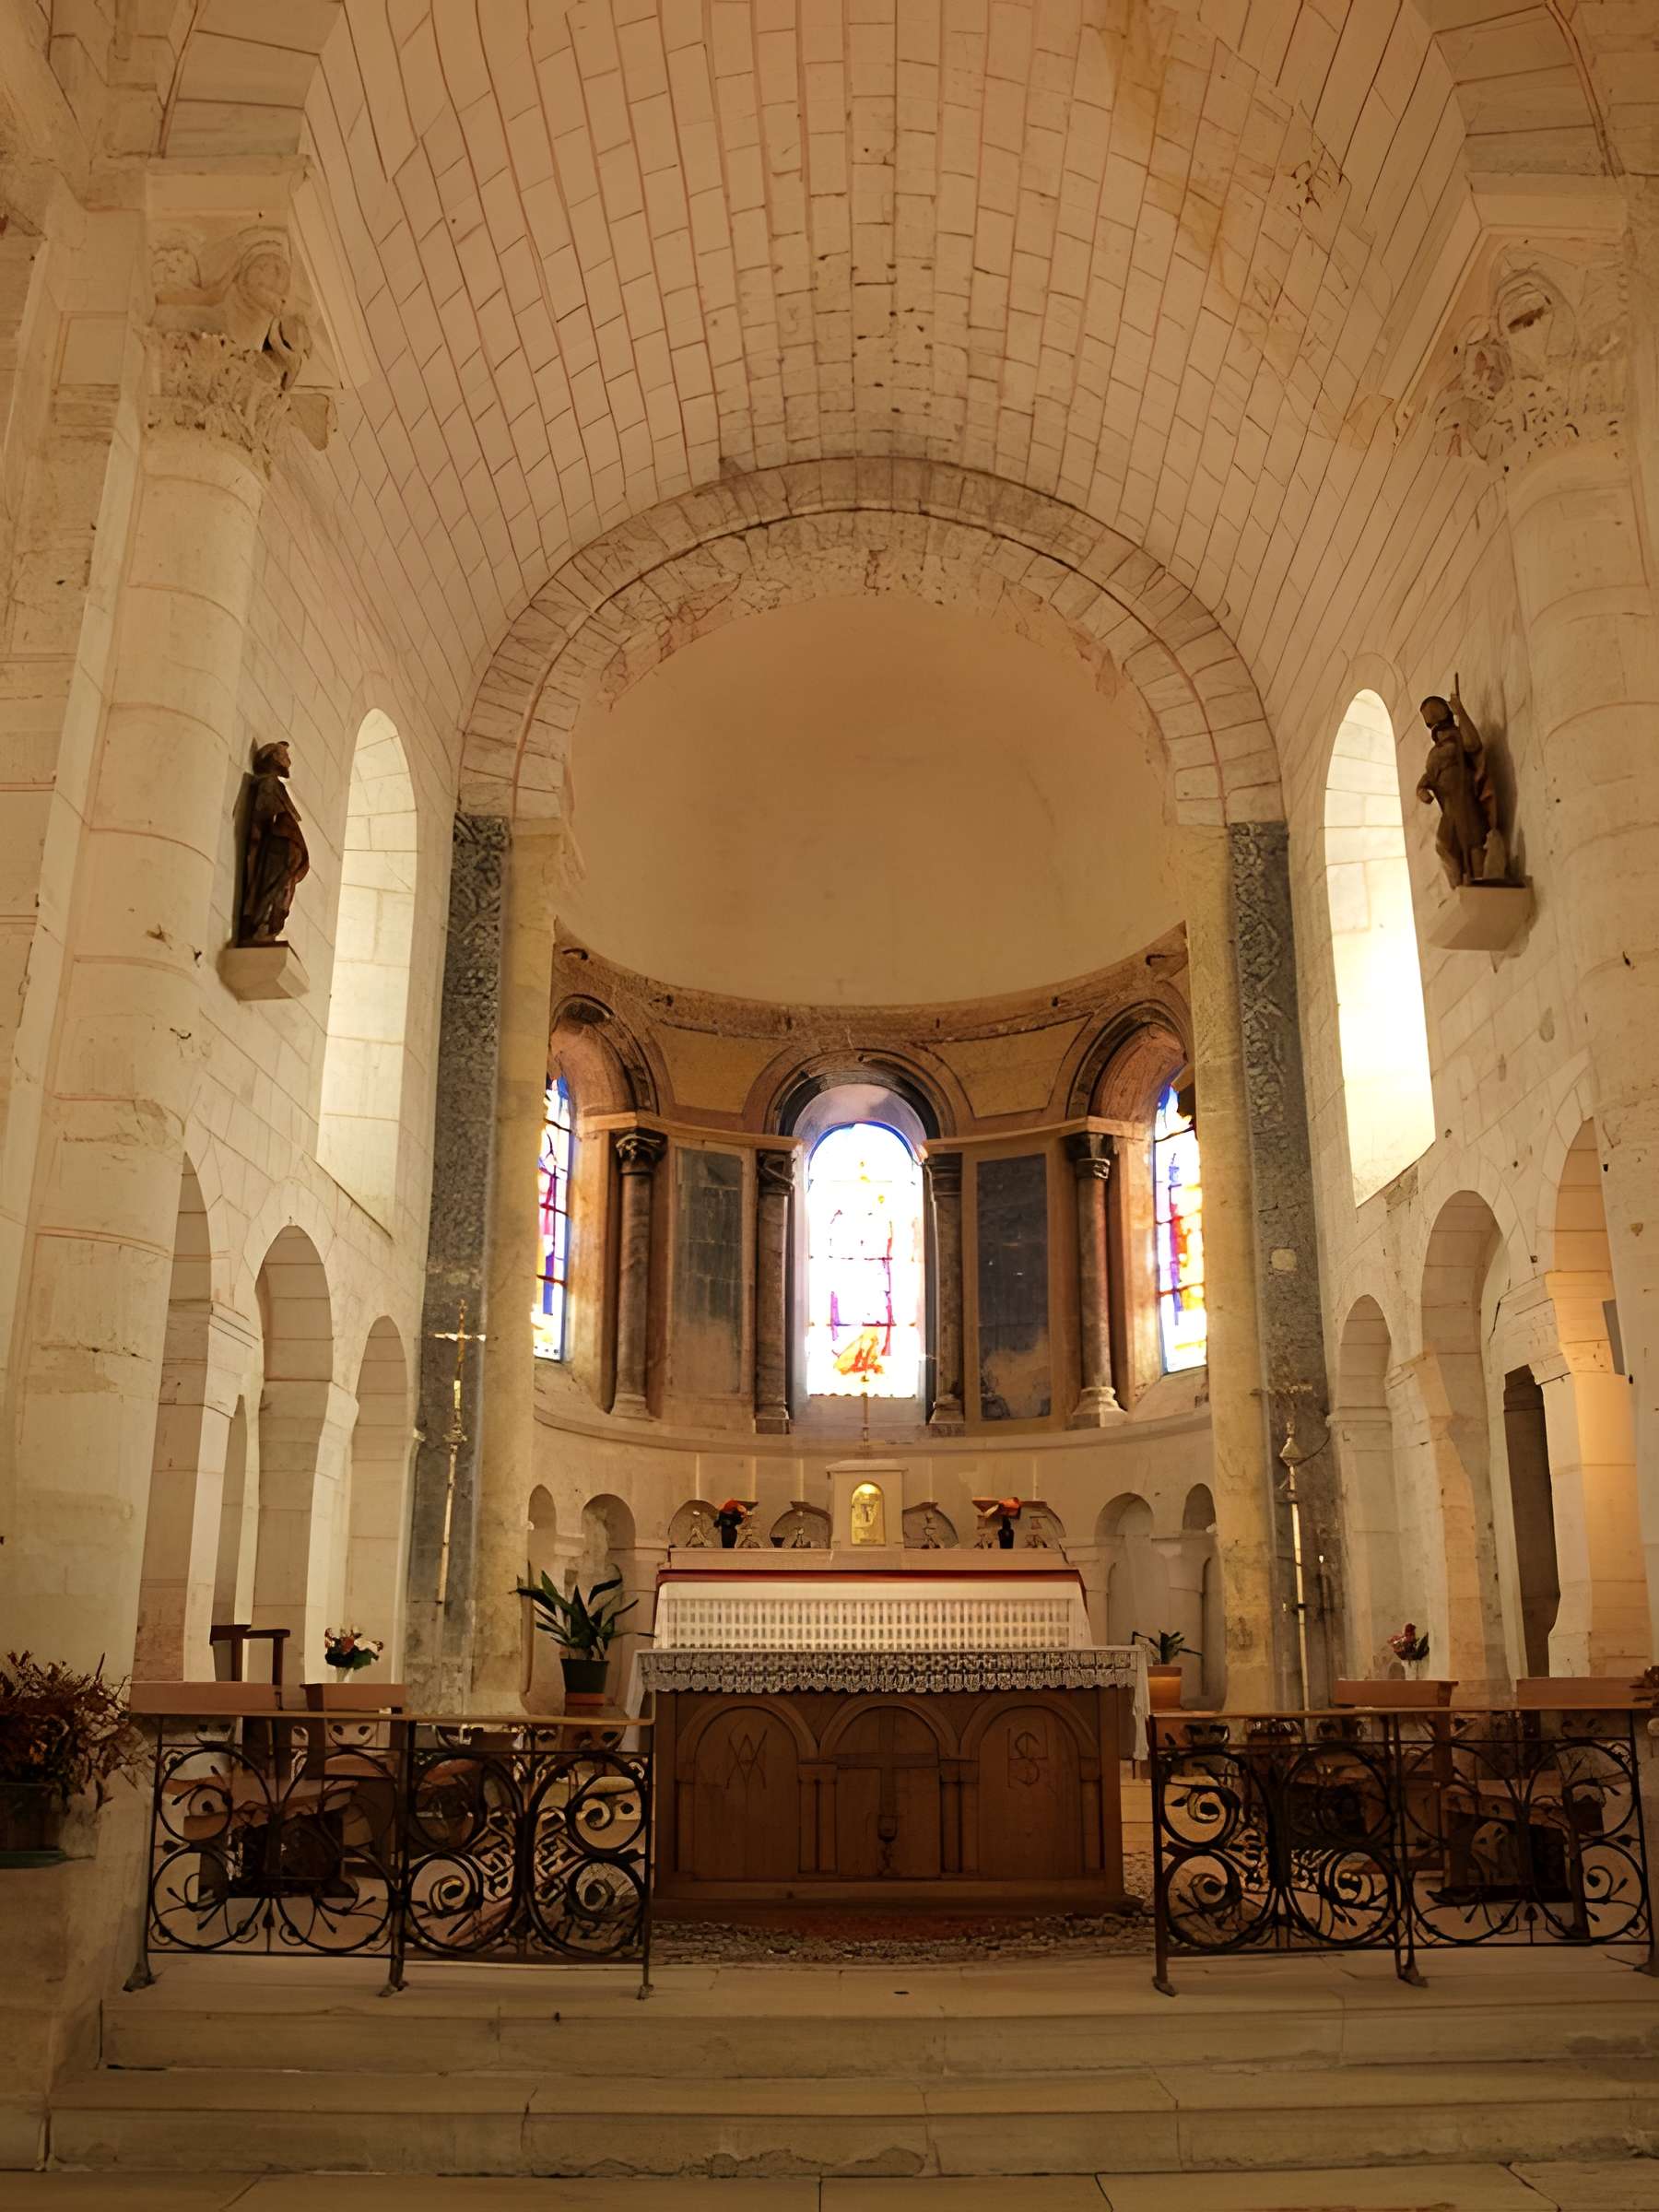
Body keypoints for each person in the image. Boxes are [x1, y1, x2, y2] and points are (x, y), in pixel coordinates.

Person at [1416, 689, 1505, 889]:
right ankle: (1458, 886)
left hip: (1463, 793)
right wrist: (1421, 790)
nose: (1438, 731)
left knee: (1473, 837)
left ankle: (1480, 881)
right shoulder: (1434, 753)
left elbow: (1473, 743)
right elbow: (1429, 776)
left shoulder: (1457, 737)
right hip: (1449, 802)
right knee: (1445, 844)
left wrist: (1460, 712)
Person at [239, 740, 310, 944]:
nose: (289, 759)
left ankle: (267, 928)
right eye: (284, 754)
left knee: (283, 891)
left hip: (283, 850)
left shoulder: (276, 785)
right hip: (276, 850)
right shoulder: (268, 784)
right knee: (272, 888)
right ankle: (259, 927)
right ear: (275, 758)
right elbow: (265, 814)